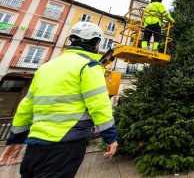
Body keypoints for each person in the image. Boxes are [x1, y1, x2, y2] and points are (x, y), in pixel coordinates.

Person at [0, 22, 118, 177]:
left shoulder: (46, 67)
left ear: (71, 40)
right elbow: (99, 105)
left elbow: (26, 106)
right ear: (96, 43)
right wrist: (110, 137)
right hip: (66, 145)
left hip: (35, 145)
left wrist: (15, 138)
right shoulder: (88, 66)